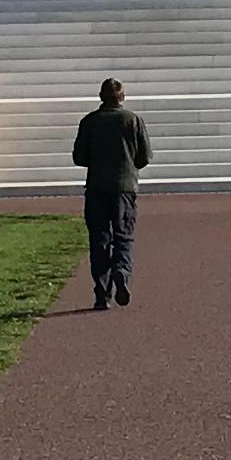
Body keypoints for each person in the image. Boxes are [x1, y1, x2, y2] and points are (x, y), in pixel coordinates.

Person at [69, 76, 153, 311]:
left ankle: (101, 293)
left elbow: (79, 158)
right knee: (123, 236)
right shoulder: (133, 120)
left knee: (100, 239)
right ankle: (121, 271)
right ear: (122, 97)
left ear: (101, 98)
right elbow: (144, 157)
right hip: (124, 188)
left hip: (96, 187)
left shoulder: (89, 122)